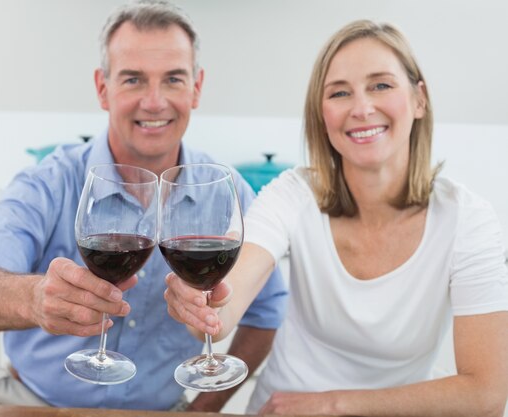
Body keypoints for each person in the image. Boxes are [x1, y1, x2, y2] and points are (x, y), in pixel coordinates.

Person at [0, 0, 287, 412]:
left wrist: (204, 408)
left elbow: (266, 314)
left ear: (196, 88)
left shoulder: (227, 191)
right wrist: (33, 298)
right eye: (134, 80)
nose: (155, 102)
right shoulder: (51, 181)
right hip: (31, 404)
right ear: (103, 88)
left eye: (173, 79)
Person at [164, 19, 508, 416]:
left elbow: (485, 394)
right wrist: (201, 308)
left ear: (419, 99)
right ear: (322, 114)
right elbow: (225, 303)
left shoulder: (467, 220)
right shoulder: (292, 193)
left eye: (381, 85)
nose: (361, 108)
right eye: (340, 92)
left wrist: (332, 405)